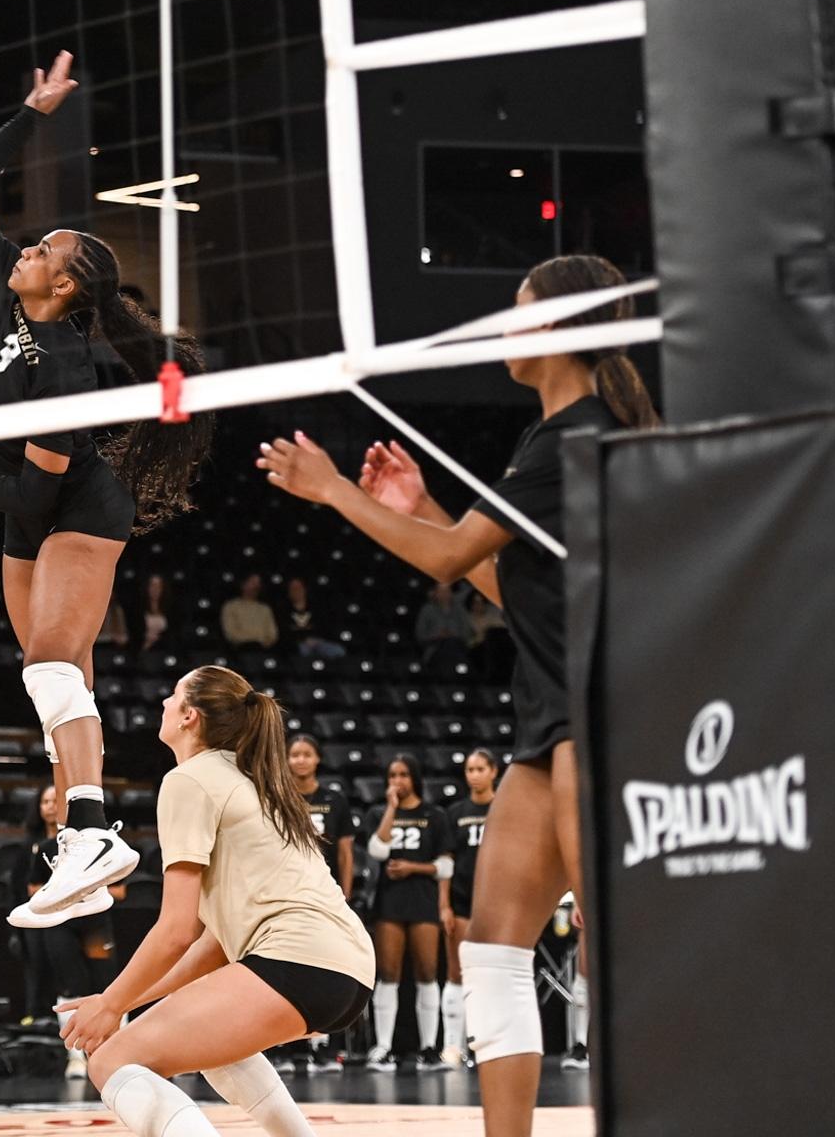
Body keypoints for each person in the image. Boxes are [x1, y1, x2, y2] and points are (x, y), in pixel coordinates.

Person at [257, 254, 659, 1137]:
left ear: (562, 327)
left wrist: (331, 492)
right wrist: (424, 502)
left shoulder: (575, 435)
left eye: (519, 311)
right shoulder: (548, 439)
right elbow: (499, 587)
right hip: (549, 720)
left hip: (606, 716)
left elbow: (445, 562)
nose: (505, 327)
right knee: (492, 952)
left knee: (616, 958)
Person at [0, 52, 212, 930]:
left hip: (75, 506)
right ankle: (84, 861)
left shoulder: (72, 368)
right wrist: (32, 115)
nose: (26, 247)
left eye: (45, 249)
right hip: (20, 500)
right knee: (56, 681)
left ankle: (89, 827)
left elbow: (37, 502)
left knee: (50, 664)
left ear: (66, 283)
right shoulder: (8, 293)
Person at [60, 666, 372, 1137]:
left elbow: (176, 929)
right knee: (215, 1049)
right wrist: (120, 1000)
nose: (162, 703)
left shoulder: (190, 779)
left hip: (298, 960)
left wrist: (111, 1005)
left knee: (111, 1060)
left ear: (189, 716)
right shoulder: (255, 781)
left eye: (171, 696)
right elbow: (215, 945)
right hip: (349, 971)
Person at [11, 786, 107, 1081]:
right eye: (46, 801)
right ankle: (75, 1055)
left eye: (57, 800)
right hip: (54, 920)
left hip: (92, 919)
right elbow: (30, 891)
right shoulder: (36, 847)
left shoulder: (94, 841)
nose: (52, 806)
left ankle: (113, 1050)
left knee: (104, 981)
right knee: (67, 984)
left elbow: (116, 887)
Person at [361, 755, 450, 1072]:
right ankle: (384, 1046)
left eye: (403, 775)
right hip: (389, 902)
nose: (397, 781)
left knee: (427, 973)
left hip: (423, 901)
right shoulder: (378, 813)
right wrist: (391, 808)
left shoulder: (434, 815)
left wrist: (413, 867)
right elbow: (377, 851)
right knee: (388, 974)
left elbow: (446, 866)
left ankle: (429, 1048)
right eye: (392, 775)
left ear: (414, 778)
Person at [439, 749, 500, 1067]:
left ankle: (488, 1042)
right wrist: (444, 904)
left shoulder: (503, 808)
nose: (473, 774)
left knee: (493, 973)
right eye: (469, 769)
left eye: (479, 768)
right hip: (462, 900)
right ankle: (453, 1045)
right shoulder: (456, 812)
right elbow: (446, 861)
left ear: (493, 771)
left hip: (496, 901)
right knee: (457, 971)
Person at [288, 736, 354, 898]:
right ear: (286, 759)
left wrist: (346, 895)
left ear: (317, 758)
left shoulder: (336, 799)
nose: (301, 760)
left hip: (328, 884)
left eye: (307, 755)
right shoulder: (279, 798)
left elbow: (345, 852)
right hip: (290, 883)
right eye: (295, 755)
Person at [415, 582, 474, 673]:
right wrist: (437, 635)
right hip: (435, 648)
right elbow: (420, 635)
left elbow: (467, 632)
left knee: (452, 646)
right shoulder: (427, 610)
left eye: (447, 591)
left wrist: (453, 635)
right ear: (436, 593)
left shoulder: (460, 609)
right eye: (441, 591)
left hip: (457, 646)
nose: (444, 594)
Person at [219, 574, 278, 651]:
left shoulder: (265, 608)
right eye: (253, 583)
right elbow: (231, 634)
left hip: (263, 651)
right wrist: (254, 640)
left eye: (258, 583)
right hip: (239, 651)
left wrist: (262, 642)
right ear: (243, 585)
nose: (256, 586)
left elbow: (272, 634)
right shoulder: (231, 606)